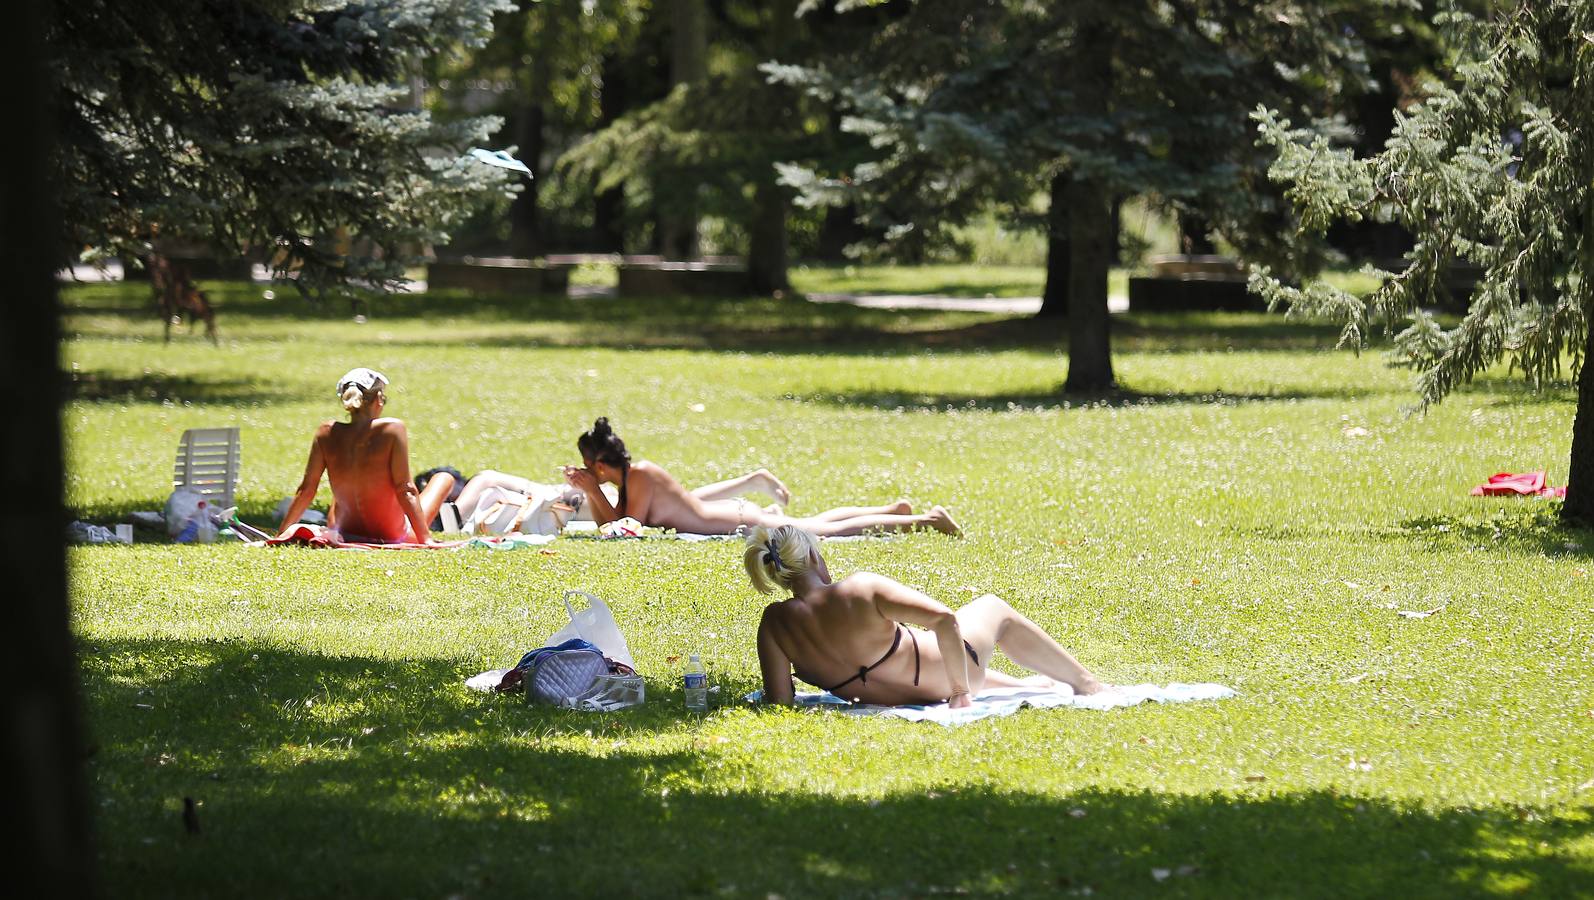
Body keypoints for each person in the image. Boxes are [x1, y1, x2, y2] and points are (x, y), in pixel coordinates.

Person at [745, 524, 1103, 707]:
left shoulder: (774, 624)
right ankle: (1088, 684)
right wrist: (961, 691)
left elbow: (780, 700)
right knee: (993, 608)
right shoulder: (860, 589)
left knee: (914, 653)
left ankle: (1033, 686)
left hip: (906, 693)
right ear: (811, 558)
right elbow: (945, 619)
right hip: (953, 678)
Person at [562, 417, 961, 537]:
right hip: (733, 514)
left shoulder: (643, 475)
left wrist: (592, 490)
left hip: (740, 518)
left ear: (598, 464)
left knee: (817, 531)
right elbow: (609, 526)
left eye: (586, 465)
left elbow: (622, 527)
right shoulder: (629, 482)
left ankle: (926, 521)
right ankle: (894, 510)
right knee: (818, 522)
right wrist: (594, 492)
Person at [277, 368, 455, 544]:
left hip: (344, 530)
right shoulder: (392, 429)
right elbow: (405, 489)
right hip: (392, 535)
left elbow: (306, 490)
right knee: (443, 478)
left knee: (349, 479)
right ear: (378, 399)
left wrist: (282, 534)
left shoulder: (326, 432)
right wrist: (426, 539)